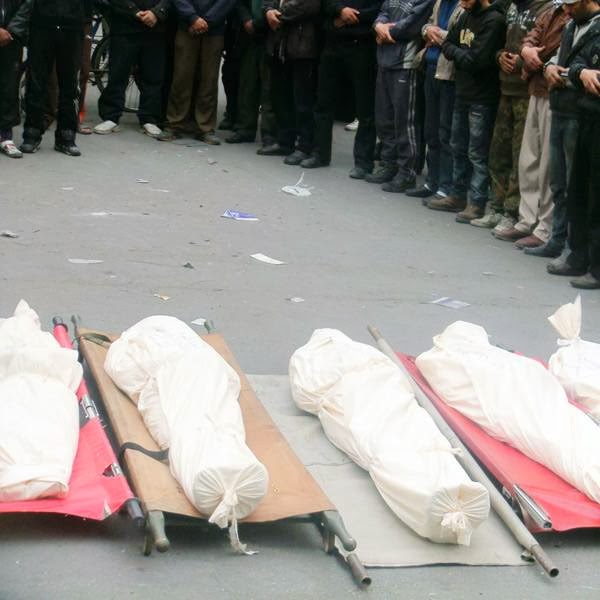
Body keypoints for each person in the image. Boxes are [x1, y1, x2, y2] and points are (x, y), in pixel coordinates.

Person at [427, 0, 506, 222]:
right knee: (457, 145)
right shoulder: (465, 15)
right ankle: (457, 195)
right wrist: (456, 50)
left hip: (482, 96)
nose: (461, 1)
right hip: (462, 91)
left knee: (477, 152)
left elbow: (476, 60)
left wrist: (454, 50)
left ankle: (477, 202)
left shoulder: (494, 20)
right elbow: (449, 43)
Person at [505, 2, 570, 250]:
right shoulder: (552, 11)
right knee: (528, 158)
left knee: (548, 166)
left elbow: (558, 48)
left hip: (554, 91)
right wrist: (527, 49)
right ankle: (527, 219)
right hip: (536, 88)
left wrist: (534, 57)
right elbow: (533, 34)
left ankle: (545, 227)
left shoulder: (576, 16)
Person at [485, 0, 552, 238]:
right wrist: (499, 56)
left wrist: (522, 60)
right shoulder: (511, 7)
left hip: (528, 91)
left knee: (521, 160)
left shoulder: (546, 8)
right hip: (505, 88)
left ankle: (513, 212)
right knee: (498, 152)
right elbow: (500, 43)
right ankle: (497, 204)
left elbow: (548, 49)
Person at [547, 0, 600, 289]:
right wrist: (576, 72)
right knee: (578, 189)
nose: (566, 9)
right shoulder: (576, 26)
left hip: (589, 111)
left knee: (595, 196)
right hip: (586, 112)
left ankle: (595, 264)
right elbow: (578, 63)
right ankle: (579, 255)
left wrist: (578, 72)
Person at [300, 0, 382, 178]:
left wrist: (346, 18)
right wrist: (340, 9)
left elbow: (377, 9)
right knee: (323, 103)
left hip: (362, 45)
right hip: (333, 44)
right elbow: (325, 4)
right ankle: (320, 154)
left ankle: (363, 162)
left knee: (365, 109)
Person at [368, 0, 436, 191]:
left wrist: (386, 32)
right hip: (384, 60)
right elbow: (382, 11)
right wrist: (379, 26)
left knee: (405, 121)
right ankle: (389, 164)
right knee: (384, 118)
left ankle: (407, 172)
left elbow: (413, 24)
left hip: (406, 64)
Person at [404, 0, 464, 197]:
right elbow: (427, 24)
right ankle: (432, 182)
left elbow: (461, 37)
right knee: (431, 131)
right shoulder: (439, 3)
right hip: (430, 69)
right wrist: (428, 30)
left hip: (448, 74)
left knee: (445, 132)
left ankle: (445, 187)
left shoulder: (463, 6)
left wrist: (436, 34)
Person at [20, 0, 93, 156]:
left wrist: (83, 17)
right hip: (41, 22)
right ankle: (32, 133)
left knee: (70, 82)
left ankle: (66, 135)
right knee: (36, 80)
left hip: (73, 24)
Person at [163, 0, 237, 145]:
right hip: (187, 26)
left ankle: (205, 128)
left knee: (208, 80)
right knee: (181, 77)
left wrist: (207, 21)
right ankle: (174, 124)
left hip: (214, 29)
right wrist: (192, 18)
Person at [95, 1, 170, 137]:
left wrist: (157, 12)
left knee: (153, 75)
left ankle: (149, 118)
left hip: (156, 26)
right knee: (118, 73)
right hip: (124, 24)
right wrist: (133, 10)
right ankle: (111, 116)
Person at [263, 0, 321, 164]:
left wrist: (277, 14)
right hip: (280, 44)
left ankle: (304, 146)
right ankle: (284, 141)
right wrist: (268, 10)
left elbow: (309, 6)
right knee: (281, 97)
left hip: (304, 46)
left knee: (303, 101)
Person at [224, 0, 276, 149]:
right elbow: (240, 3)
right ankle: (245, 128)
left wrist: (257, 23)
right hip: (249, 38)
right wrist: (246, 20)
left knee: (269, 89)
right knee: (247, 84)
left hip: (271, 35)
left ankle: (269, 134)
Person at [0, 0, 31, 159]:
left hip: (12, 37)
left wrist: (11, 31)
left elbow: (27, 4)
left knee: (9, 85)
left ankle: (5, 135)